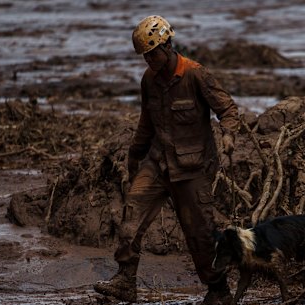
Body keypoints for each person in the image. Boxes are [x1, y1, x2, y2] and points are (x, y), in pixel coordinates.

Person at [93, 15, 239, 305]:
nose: (148, 60)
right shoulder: (149, 80)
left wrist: (228, 137)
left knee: (200, 236)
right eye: (144, 55)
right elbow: (146, 123)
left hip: (193, 169)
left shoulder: (196, 75)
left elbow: (228, 110)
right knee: (131, 215)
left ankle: (218, 291)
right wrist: (134, 156)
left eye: (152, 53)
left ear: (168, 45)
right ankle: (125, 281)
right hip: (157, 163)